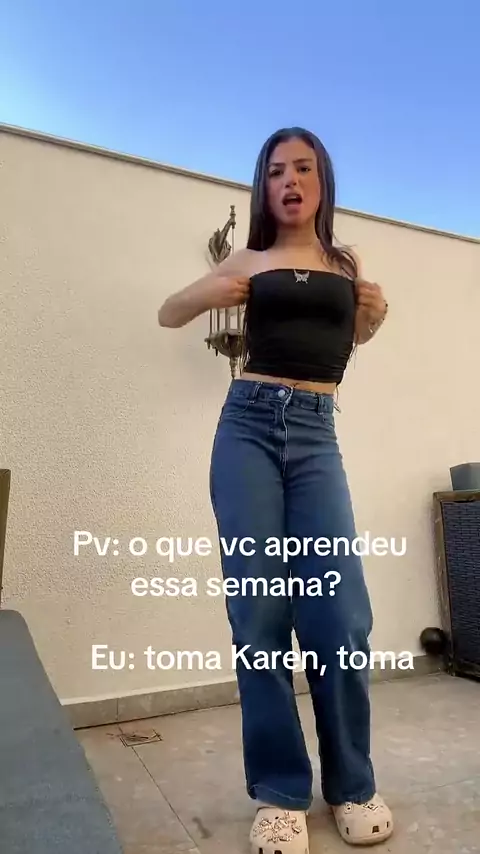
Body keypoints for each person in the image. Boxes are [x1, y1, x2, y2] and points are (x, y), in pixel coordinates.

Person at [158, 126, 392, 851]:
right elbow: (169, 312)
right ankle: (280, 793)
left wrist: (370, 317)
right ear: (263, 187)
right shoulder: (249, 258)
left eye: (304, 168)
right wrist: (208, 289)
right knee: (258, 614)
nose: (290, 180)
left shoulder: (346, 263)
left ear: (323, 182)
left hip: (317, 431)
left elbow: (346, 342)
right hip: (249, 427)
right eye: (276, 170)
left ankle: (352, 784)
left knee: (340, 616)